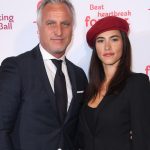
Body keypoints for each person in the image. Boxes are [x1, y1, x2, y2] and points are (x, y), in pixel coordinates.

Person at [0, 0, 88, 150]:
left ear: (72, 29)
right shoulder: (17, 68)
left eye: (65, 24)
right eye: (51, 23)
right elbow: (2, 129)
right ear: (39, 28)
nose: (59, 31)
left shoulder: (79, 75)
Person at [77, 16, 150, 150]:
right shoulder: (89, 90)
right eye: (100, 40)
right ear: (95, 48)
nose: (107, 46)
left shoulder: (137, 84)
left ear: (124, 43)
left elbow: (143, 140)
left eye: (114, 39)